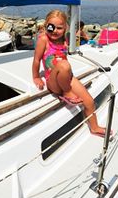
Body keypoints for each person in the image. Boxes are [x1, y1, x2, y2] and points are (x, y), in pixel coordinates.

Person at [32, 9, 111, 138]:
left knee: (89, 101)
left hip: (66, 77)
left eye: (59, 28)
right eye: (51, 27)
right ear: (46, 25)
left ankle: (94, 127)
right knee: (64, 65)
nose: (55, 31)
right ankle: (67, 92)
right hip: (53, 81)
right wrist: (36, 77)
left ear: (65, 28)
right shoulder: (43, 39)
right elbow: (36, 59)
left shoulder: (64, 40)